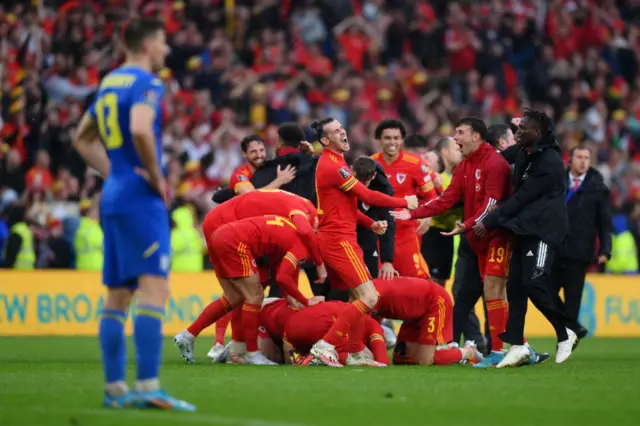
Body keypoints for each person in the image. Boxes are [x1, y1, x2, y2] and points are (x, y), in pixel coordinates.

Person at [72, 18, 194, 410]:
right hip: (140, 197)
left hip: (115, 193)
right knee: (155, 288)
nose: (166, 50)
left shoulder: (109, 83)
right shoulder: (147, 84)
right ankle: (147, 385)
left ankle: (114, 390)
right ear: (146, 45)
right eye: (162, 42)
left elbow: (82, 139)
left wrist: (116, 174)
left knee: (119, 295)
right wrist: (156, 179)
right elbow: (142, 130)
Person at [392, 117, 516, 368]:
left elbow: (493, 203)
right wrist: (413, 213)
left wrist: (468, 224)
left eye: (460, 133)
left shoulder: (495, 162)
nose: (456, 138)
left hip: (498, 235)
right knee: (488, 292)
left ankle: (502, 350)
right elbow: (446, 199)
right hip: (478, 237)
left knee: (494, 290)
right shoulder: (466, 165)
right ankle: (508, 348)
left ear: (476, 136)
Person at [307, 117, 418, 367]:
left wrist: (370, 223)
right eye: (336, 132)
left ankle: (355, 351)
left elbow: (346, 206)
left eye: (342, 128)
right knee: (369, 297)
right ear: (325, 141)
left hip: (342, 237)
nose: (343, 133)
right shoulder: (333, 165)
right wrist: (404, 202)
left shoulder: (338, 162)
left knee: (357, 297)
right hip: (338, 240)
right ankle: (325, 346)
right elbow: (366, 195)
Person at [476, 109, 577, 367]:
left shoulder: (550, 162)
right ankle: (518, 346)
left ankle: (566, 332)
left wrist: (487, 222)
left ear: (539, 133)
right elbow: (496, 160)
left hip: (544, 230)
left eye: (523, 130)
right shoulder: (524, 151)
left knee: (533, 282)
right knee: (516, 287)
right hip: (524, 228)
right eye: (518, 129)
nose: (517, 133)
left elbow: (522, 198)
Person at [177, 189, 325, 360]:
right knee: (253, 295)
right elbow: (300, 244)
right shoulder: (302, 219)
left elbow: (283, 265)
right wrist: (319, 266)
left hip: (221, 228)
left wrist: (292, 297)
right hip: (229, 231)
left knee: (234, 297)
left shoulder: (299, 208)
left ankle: (190, 335)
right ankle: (247, 352)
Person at [550, 145, 611, 338]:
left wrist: (605, 249)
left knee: (573, 301)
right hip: (555, 249)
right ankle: (573, 327)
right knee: (546, 292)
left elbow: (604, 222)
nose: (583, 161)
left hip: (579, 253)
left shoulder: (597, 188)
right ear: (570, 160)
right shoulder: (557, 182)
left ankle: (567, 338)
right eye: (579, 157)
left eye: (586, 158)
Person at [371, 120, 437, 278]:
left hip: (406, 232)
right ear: (379, 139)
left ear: (402, 140)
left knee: (416, 280)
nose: (392, 142)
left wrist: (428, 217)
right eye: (387, 138)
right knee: (378, 282)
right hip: (378, 231)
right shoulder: (370, 163)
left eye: (396, 138)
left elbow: (431, 196)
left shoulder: (415, 164)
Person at [372, 277, 483, 366]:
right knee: (400, 359)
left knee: (424, 360)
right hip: (414, 313)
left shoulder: (369, 296)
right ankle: (443, 350)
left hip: (434, 302)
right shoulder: (368, 294)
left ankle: (468, 352)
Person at [284, 301, 389, 366]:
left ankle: (308, 359)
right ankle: (318, 358)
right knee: (364, 357)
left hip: (289, 328)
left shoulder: (348, 310)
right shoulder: (373, 325)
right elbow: (382, 360)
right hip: (321, 325)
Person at [421, 137, 463, 286]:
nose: (461, 152)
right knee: (431, 283)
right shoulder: (436, 178)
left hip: (447, 236)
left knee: (441, 283)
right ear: (445, 152)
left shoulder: (457, 177)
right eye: (457, 149)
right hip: (432, 234)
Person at [352, 156, 397, 280]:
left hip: (367, 231)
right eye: (358, 181)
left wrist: (387, 261)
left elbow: (388, 221)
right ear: (352, 173)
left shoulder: (383, 188)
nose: (361, 186)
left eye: (364, 182)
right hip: (344, 234)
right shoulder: (343, 180)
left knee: (371, 279)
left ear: (373, 176)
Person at [227, 135, 296, 196]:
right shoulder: (239, 175)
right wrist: (279, 181)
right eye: (253, 151)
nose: (259, 155)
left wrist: (306, 153)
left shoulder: (272, 167)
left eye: (261, 150)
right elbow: (250, 196)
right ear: (244, 154)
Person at [1, 203, 35, 270]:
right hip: (29, 270)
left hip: (17, 271)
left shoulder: (17, 231)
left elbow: (11, 255)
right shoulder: (26, 230)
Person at [74, 199, 104, 271]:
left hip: (81, 267)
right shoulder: (94, 228)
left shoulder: (78, 229)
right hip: (95, 267)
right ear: (89, 213)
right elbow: (105, 247)